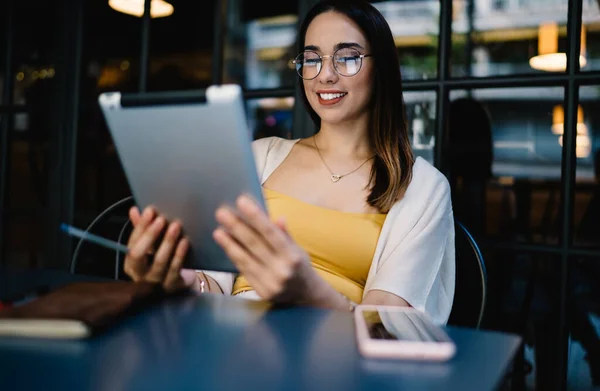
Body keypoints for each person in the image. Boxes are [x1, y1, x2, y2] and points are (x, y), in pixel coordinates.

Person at [122, 0, 456, 325]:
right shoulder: (259, 156)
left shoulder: (423, 188)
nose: (325, 75)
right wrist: (180, 279)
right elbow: (215, 286)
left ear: (381, 67)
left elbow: (388, 327)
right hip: (231, 346)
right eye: (312, 60)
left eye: (347, 58)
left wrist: (308, 291)